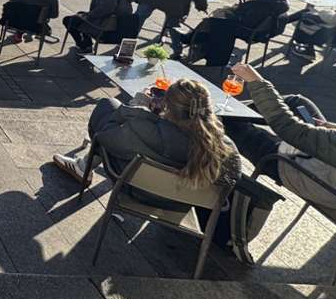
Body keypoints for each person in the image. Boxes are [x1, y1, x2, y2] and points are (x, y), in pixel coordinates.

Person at [52, 80, 239, 212]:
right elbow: (231, 179)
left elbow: (105, 136)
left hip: (138, 191)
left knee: (107, 106)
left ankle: (83, 166)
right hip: (182, 203)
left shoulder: (145, 128)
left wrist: (136, 108)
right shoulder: (227, 148)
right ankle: (83, 165)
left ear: (168, 106)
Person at [223, 63, 336, 225]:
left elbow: (289, 128)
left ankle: (224, 111)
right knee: (297, 102)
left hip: (291, 167)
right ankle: (237, 110)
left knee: (226, 120)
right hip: (335, 185)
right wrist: (332, 133)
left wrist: (256, 81)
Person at [168, 0, 288, 65]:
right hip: (259, 31)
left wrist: (228, 13)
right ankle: (197, 43)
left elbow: (245, 22)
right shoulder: (277, 4)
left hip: (251, 32)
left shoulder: (262, 5)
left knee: (214, 22)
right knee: (216, 25)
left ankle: (192, 39)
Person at [62, 0, 136, 54]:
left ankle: (85, 46)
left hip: (105, 26)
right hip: (114, 24)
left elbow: (105, 9)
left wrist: (88, 15)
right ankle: (87, 44)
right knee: (81, 16)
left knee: (69, 20)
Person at [284, 0, 336, 65]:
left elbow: (332, 20)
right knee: (311, 15)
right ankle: (282, 22)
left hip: (331, 38)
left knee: (306, 14)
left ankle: (307, 49)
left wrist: (328, 12)